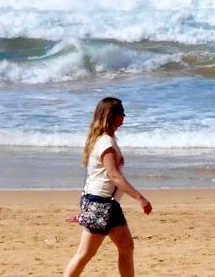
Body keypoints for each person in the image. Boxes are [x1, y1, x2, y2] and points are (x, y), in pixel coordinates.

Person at [62, 96, 153, 277]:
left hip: (107, 204)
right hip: (100, 203)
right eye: (121, 113)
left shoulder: (106, 139)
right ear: (111, 116)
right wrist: (139, 198)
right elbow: (114, 175)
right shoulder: (106, 142)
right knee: (84, 253)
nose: (124, 117)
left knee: (126, 246)